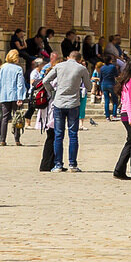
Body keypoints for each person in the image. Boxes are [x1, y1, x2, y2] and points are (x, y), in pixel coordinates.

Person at [49, 40, 88, 171]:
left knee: (58, 135)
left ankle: (58, 164)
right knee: (73, 135)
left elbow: (45, 80)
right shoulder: (82, 68)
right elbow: (88, 86)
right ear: (79, 59)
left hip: (59, 102)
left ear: (68, 57)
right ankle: (72, 164)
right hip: (73, 103)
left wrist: (52, 92)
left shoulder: (59, 66)